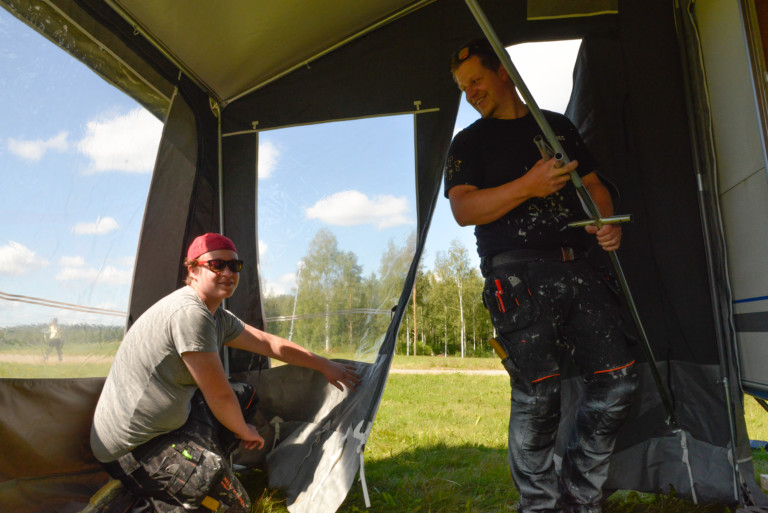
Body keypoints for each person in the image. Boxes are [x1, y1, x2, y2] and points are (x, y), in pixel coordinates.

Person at [444, 40, 638, 513]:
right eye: (463, 87)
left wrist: (604, 220)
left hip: (579, 266)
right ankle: (538, 506)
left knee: (618, 382)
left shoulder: (557, 128)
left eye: (476, 80)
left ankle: (581, 497)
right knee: (538, 397)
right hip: (515, 278)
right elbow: (463, 209)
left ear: (503, 72)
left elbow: (593, 185)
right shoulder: (468, 142)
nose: (470, 93)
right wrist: (528, 186)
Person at [90, 232, 361, 512]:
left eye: (234, 265)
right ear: (193, 270)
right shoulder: (189, 313)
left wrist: (324, 364)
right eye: (217, 265)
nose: (228, 272)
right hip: (133, 449)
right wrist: (244, 430)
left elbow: (269, 343)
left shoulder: (216, 316)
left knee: (244, 396)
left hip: (169, 427)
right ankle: (147, 500)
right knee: (234, 506)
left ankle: (195, 476)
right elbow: (219, 396)